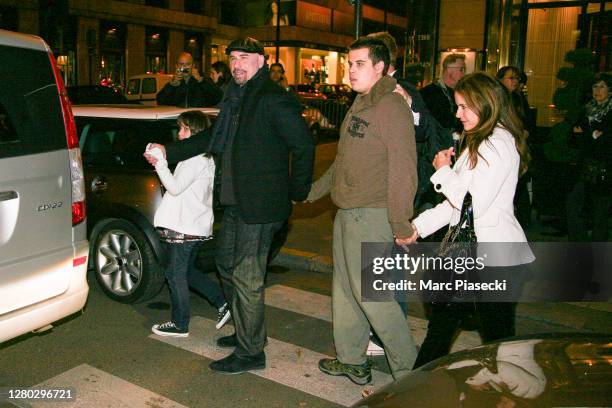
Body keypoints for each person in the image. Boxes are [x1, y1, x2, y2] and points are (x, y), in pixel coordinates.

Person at [145, 37, 315, 374]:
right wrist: (169, 151)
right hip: (236, 204)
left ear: (261, 62)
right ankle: (249, 333)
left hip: (262, 205)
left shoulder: (272, 99)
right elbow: (210, 139)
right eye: (233, 58)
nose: (237, 64)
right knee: (224, 263)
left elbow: (304, 145)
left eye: (245, 58)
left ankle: (251, 352)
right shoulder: (236, 99)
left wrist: (295, 191)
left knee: (246, 276)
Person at [307, 37, 418, 385]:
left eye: (358, 64)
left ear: (380, 67)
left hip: (372, 217)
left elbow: (404, 171)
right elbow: (343, 161)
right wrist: (310, 193)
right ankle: (353, 359)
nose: (350, 70)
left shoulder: (391, 106)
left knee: (376, 299)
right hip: (347, 213)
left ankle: (411, 375)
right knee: (345, 292)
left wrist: (401, 224)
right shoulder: (360, 103)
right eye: (348, 63)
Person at [409, 73, 535, 368]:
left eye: (464, 106)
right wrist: (418, 226)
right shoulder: (481, 141)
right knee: (446, 329)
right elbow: (456, 207)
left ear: (486, 104)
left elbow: (472, 206)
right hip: (474, 255)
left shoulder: (497, 144)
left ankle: (509, 393)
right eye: (457, 106)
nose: (457, 114)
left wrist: (442, 171)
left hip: (494, 257)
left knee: (496, 339)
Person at [149, 111, 230, 337]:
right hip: (192, 226)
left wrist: (160, 164)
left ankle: (180, 323)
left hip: (185, 227)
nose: (180, 133)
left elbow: (174, 188)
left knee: (175, 275)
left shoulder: (196, 158)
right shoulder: (202, 158)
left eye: (184, 129)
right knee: (188, 273)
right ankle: (223, 301)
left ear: (196, 132)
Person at [566, 72, 612, 242]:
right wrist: (591, 137)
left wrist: (587, 137)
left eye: (602, 86)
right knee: (573, 205)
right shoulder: (586, 109)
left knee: (600, 213)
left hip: (605, 169)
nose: (597, 90)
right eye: (595, 86)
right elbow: (572, 137)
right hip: (583, 166)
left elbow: (606, 144)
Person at [497, 66, 533, 228]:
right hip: (506, 145)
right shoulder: (498, 99)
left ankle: (521, 220)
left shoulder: (518, 98)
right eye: (511, 78)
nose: (515, 82)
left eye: (517, 79)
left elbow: (528, 122)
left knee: (519, 184)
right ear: (500, 80)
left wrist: (525, 132)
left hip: (520, 146)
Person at [157, 52, 222, 107]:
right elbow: (160, 101)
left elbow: (218, 97)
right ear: (176, 66)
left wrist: (201, 81)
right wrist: (172, 86)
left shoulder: (203, 81)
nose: (185, 67)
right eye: (182, 64)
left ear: (193, 66)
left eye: (188, 64)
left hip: (198, 119)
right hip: (176, 119)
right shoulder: (172, 84)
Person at [420, 53, 466, 133]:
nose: (464, 74)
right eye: (461, 69)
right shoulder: (429, 93)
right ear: (449, 70)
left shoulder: (462, 93)